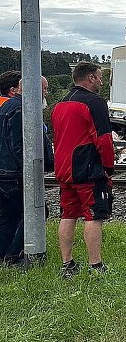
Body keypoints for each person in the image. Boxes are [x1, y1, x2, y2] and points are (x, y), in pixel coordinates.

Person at [51, 62, 115, 277]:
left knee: (68, 214)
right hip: (86, 168)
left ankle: (67, 264)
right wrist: (108, 166)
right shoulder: (94, 102)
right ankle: (95, 265)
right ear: (89, 78)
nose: (100, 80)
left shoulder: (60, 104)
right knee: (93, 215)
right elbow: (103, 138)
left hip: (64, 167)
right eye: (98, 76)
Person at [0, 72, 53, 266]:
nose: (46, 93)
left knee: (8, 215)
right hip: (15, 173)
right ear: (33, 89)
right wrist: (29, 171)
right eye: (45, 89)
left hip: (4, 170)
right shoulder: (25, 110)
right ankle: (16, 255)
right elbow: (20, 145)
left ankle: (4, 253)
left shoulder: (7, 106)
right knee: (35, 211)